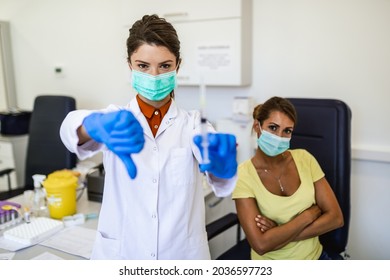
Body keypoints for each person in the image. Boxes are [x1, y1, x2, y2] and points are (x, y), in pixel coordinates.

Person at [60, 14, 238, 260]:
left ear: (178, 65)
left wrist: (223, 167)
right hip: (122, 255)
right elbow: (71, 129)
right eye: (143, 66)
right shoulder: (115, 120)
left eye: (165, 66)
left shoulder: (194, 124)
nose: (154, 76)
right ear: (130, 65)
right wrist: (90, 126)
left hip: (181, 258)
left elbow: (219, 179)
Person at [232, 96, 344, 260]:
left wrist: (278, 233)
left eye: (287, 131)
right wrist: (308, 216)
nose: (279, 136)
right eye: (273, 127)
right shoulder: (243, 175)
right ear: (257, 126)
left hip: (316, 258)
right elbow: (261, 245)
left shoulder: (305, 159)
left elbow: (336, 218)